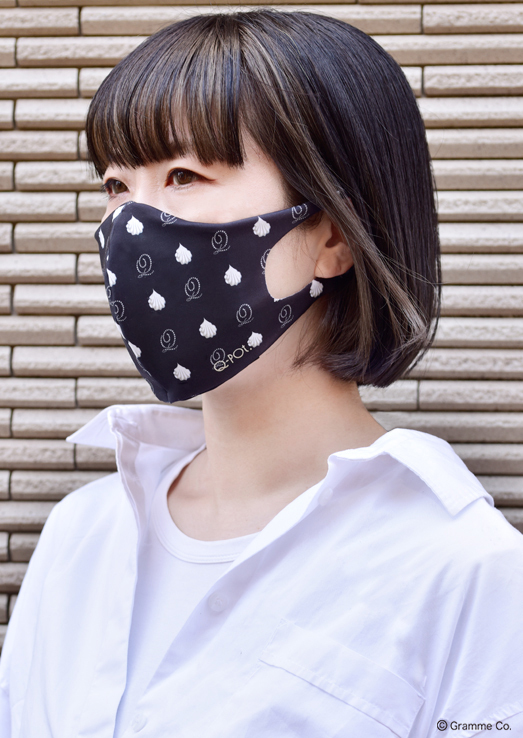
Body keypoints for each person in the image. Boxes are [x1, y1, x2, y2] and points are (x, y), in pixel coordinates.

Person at [1, 9, 522, 737]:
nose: (130, 228)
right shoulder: (82, 535)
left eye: (184, 175)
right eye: (117, 186)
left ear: (334, 234)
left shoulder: (462, 566)